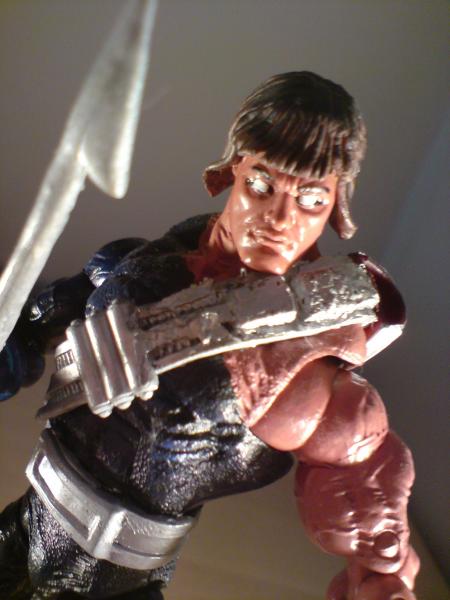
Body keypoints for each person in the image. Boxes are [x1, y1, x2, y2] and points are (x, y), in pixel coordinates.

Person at [0, 72, 418, 599]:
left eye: (310, 199)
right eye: (262, 186)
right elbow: (46, 317)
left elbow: (362, 471)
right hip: (33, 515)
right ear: (231, 171)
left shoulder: (303, 371)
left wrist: (385, 570)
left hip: (113, 572)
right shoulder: (149, 260)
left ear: (336, 208)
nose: (279, 218)